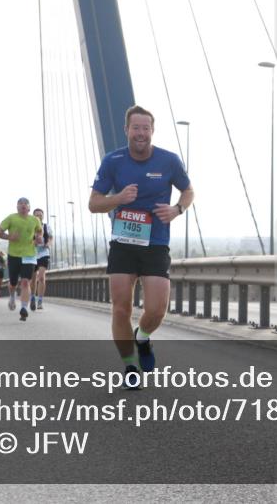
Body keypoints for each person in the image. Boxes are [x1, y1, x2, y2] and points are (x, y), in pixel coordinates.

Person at [89, 105, 193, 385]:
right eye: (136, 127)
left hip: (156, 243)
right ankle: (131, 368)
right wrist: (118, 198)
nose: (141, 133)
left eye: (146, 128)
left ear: (152, 131)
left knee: (157, 310)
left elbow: (188, 190)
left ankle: (143, 337)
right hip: (123, 243)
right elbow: (94, 203)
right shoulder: (113, 161)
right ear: (126, 130)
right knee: (121, 309)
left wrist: (177, 209)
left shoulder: (169, 160)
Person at [0, 198, 43, 322]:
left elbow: (39, 231)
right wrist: (9, 237)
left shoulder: (35, 220)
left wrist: (38, 237)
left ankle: (24, 308)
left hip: (29, 255)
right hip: (14, 255)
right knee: (13, 283)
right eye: (20, 204)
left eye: (25, 204)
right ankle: (12, 295)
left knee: (25, 282)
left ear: (29, 208)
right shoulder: (11, 218)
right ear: (17, 207)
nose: (23, 205)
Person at [31, 208, 53, 310]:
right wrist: (34, 242)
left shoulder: (46, 226)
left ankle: (40, 300)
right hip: (32, 254)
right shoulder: (30, 227)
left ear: (43, 216)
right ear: (33, 216)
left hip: (44, 253)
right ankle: (32, 297)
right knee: (33, 278)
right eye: (36, 215)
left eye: (40, 215)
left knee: (41, 277)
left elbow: (51, 238)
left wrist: (48, 244)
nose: (39, 216)